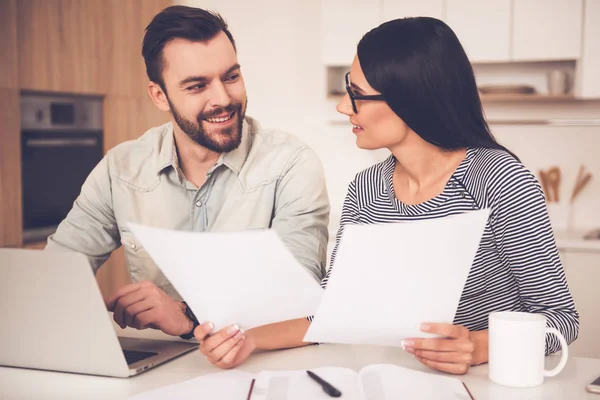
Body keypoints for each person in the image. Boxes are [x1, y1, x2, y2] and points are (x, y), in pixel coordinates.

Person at [194, 16, 579, 374]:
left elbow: (561, 321)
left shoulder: (498, 180)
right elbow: (334, 313)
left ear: (410, 98)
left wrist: (478, 347)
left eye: (357, 93)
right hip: (393, 381)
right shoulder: (366, 190)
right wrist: (249, 339)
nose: (345, 106)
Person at [45, 6, 329, 340]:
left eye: (231, 76)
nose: (223, 98)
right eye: (197, 86)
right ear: (159, 96)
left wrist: (187, 316)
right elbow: (53, 275)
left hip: (258, 368)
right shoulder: (119, 169)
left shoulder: (291, 163)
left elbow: (296, 298)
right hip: (161, 374)